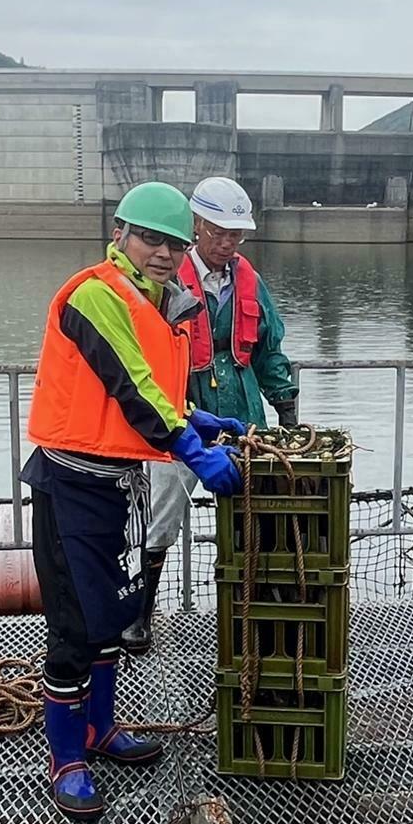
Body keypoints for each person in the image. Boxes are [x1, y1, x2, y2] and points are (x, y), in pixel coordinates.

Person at [23, 181, 245, 818]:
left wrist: (197, 419)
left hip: (120, 482)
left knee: (115, 613)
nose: (163, 253)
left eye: (174, 245)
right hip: (70, 484)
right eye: (151, 239)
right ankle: (66, 757)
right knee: (72, 623)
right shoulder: (95, 294)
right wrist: (188, 446)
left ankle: (101, 729)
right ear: (120, 233)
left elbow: (156, 387)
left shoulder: (154, 303)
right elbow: (129, 385)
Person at [124, 175, 299, 654]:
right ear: (196, 225)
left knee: (255, 514)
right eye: (218, 231)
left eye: (236, 234)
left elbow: (269, 348)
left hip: (242, 412)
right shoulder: (165, 278)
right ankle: (140, 613)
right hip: (181, 412)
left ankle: (256, 607)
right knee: (161, 515)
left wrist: (286, 406)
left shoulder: (249, 281)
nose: (227, 242)